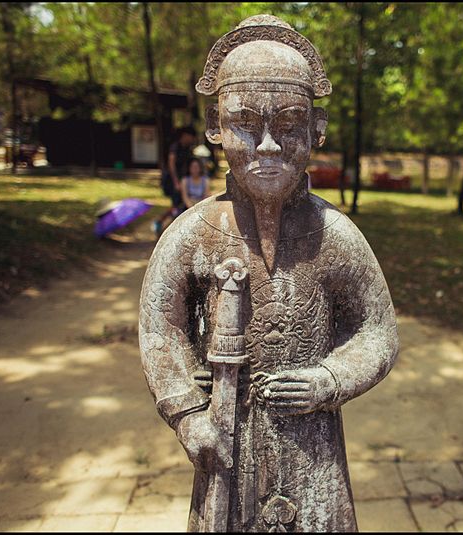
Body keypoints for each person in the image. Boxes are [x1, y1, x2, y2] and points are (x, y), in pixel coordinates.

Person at [139, 15, 397, 532]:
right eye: (245, 124)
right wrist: (189, 416)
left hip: (313, 449)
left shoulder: (337, 236)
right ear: (216, 127)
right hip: (226, 439)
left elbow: (378, 332)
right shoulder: (191, 234)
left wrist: (328, 379)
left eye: (287, 126)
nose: (267, 146)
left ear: (315, 131)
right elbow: (161, 329)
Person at [152, 126, 197, 236]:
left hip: (182, 181)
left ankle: (161, 223)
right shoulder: (175, 147)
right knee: (177, 205)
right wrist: (176, 181)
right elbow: (171, 164)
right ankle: (163, 225)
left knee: (178, 205)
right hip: (172, 181)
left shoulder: (187, 148)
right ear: (185, 135)